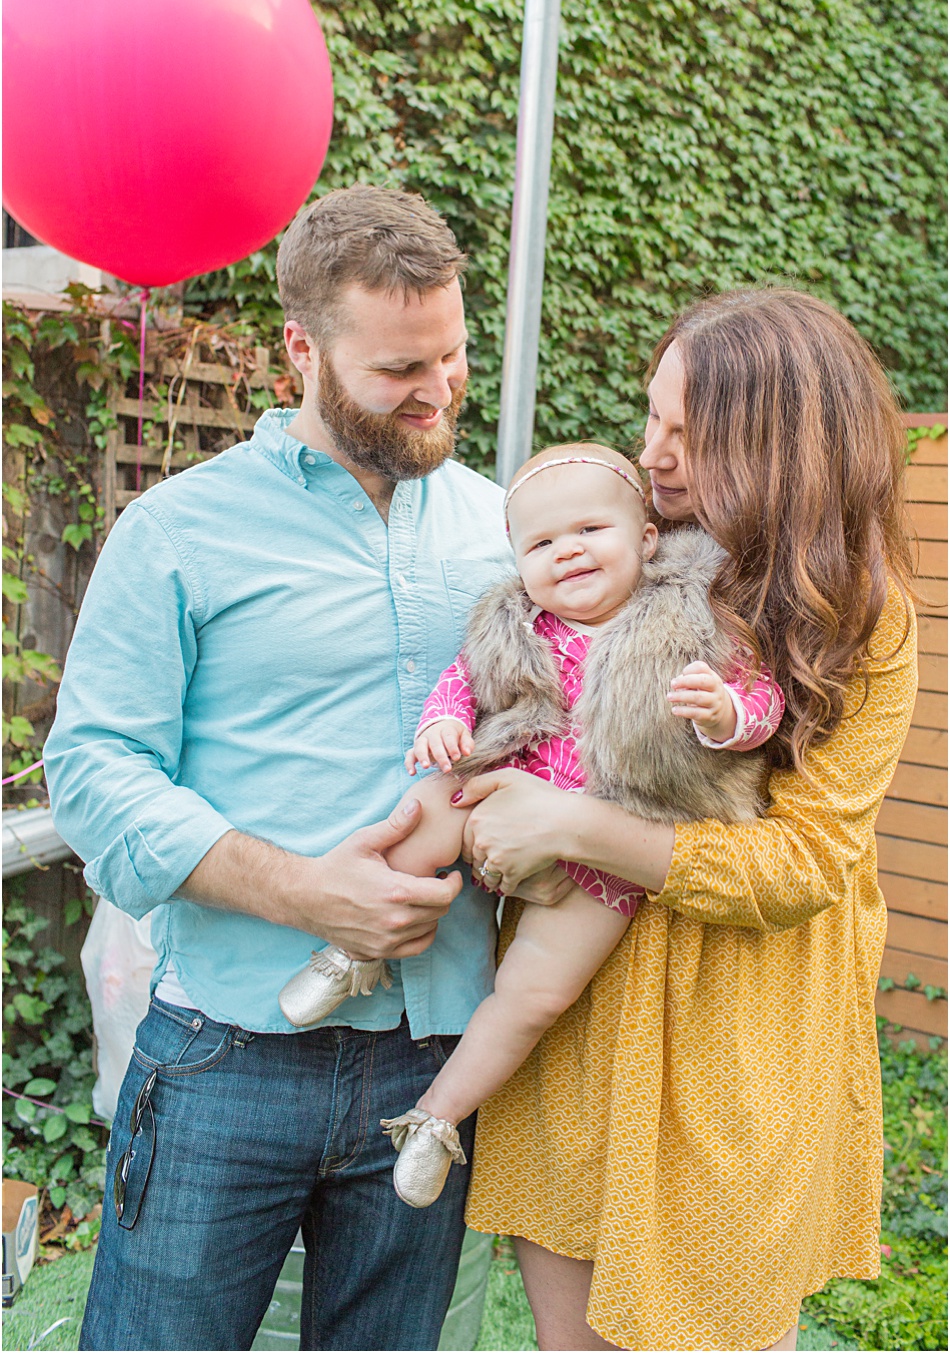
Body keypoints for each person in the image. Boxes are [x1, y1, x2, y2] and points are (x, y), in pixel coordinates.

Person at [43, 185, 560, 1353]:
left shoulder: (501, 528)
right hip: (225, 1052)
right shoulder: (176, 531)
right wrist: (305, 893)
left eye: (453, 356)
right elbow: (93, 768)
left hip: (434, 1062)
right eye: (395, 372)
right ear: (300, 349)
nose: (436, 394)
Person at [455, 288, 918, 1352]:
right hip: (576, 1017)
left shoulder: (859, 613)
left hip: (735, 1046)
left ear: (773, 442)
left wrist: (567, 825)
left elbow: (800, 864)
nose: (650, 453)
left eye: (686, 431)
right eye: (649, 417)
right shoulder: (621, 557)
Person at [369, 445, 784, 1208]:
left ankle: (434, 1118)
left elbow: (761, 697)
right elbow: (459, 683)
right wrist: (442, 725)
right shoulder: (518, 622)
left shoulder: (692, 614)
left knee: (533, 992)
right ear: (519, 563)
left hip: (611, 850)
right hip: (500, 792)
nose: (568, 551)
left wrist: (729, 715)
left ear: (647, 540)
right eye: (541, 543)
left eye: (591, 528)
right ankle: (351, 947)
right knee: (422, 813)